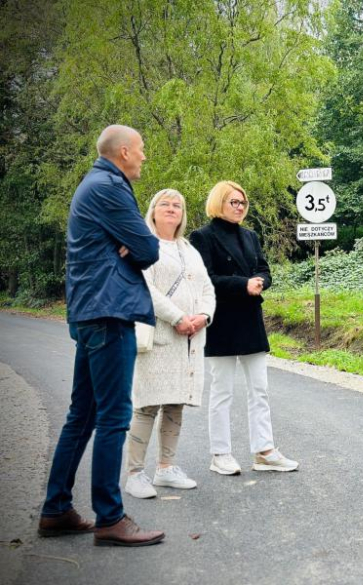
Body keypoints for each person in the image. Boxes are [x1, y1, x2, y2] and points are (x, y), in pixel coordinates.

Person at [38, 125, 165, 546]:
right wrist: (131, 246)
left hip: (92, 310)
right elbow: (149, 249)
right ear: (124, 151)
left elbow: (138, 245)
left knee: (84, 414)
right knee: (113, 416)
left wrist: (128, 245)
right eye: (142, 150)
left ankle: (56, 509)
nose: (145, 157)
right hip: (109, 312)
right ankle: (110, 518)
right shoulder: (109, 186)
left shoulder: (94, 184)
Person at [190, 181, 298, 476]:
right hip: (221, 321)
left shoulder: (250, 235)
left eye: (242, 203)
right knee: (222, 391)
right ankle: (220, 454)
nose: (239, 207)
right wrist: (242, 284)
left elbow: (264, 268)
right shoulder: (202, 237)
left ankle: (265, 451)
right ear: (218, 203)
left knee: (259, 390)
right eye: (233, 202)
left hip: (250, 319)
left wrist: (261, 281)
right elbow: (205, 279)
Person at [124, 189, 216, 499]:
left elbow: (206, 288)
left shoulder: (188, 249)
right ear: (152, 210)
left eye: (178, 205)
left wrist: (203, 315)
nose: (172, 208)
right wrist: (177, 317)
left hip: (189, 339)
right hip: (160, 337)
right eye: (165, 204)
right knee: (147, 403)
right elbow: (144, 288)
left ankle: (166, 468)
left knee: (176, 402)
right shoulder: (146, 245)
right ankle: (135, 473)